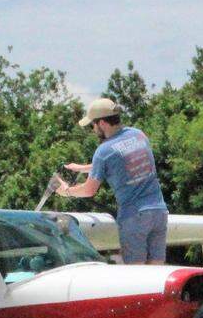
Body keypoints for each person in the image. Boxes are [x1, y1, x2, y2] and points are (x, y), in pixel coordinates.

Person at [56, 97, 169, 264]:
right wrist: (82, 168)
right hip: (159, 212)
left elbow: (89, 190)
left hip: (134, 216)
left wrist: (66, 191)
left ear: (102, 123)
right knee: (156, 273)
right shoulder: (138, 135)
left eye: (92, 125)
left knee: (137, 273)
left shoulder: (104, 151)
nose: (93, 129)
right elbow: (123, 161)